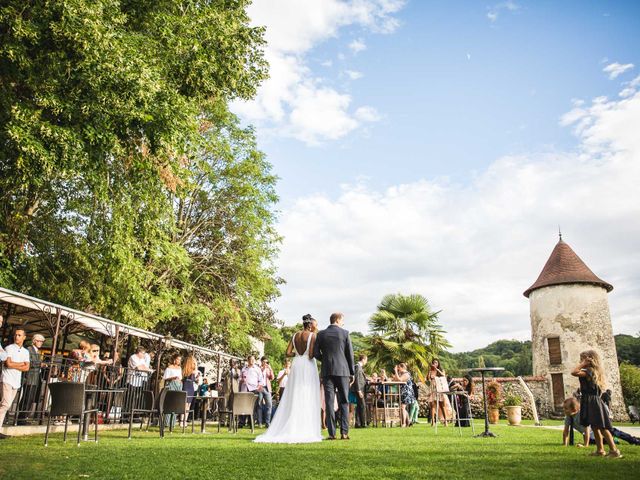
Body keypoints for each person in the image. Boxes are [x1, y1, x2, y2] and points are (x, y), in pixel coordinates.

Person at [255, 313, 322, 443]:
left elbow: (287, 352)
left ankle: (291, 424)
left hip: (297, 364)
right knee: (307, 392)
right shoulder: (312, 336)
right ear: (310, 325)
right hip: (307, 366)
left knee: (294, 393)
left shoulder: (295, 335)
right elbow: (311, 355)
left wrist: (297, 354)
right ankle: (305, 427)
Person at [571, 349, 622, 458]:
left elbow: (574, 372)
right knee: (595, 427)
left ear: (589, 360)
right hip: (589, 400)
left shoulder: (590, 371)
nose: (580, 361)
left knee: (602, 427)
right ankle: (600, 450)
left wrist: (582, 364)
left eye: (583, 359)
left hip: (593, 401)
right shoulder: (590, 371)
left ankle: (614, 450)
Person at [313, 312, 355, 441]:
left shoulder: (320, 334)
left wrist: (325, 360)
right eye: (342, 320)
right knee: (344, 401)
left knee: (329, 403)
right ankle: (344, 433)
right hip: (343, 371)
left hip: (327, 371)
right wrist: (352, 372)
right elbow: (350, 354)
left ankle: (332, 434)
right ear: (337, 320)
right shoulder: (345, 333)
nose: (343, 323)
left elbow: (315, 353)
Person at [0, 328, 30, 431]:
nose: (16, 337)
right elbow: (8, 364)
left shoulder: (26, 352)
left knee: (6, 406)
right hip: (7, 379)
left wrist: (14, 364)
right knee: (5, 404)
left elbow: (27, 367)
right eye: (15, 335)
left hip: (16, 382)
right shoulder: (9, 348)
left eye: (19, 335)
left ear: (24, 337)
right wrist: (21, 363)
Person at [18, 333, 45, 423]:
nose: (41, 343)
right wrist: (40, 364)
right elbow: (28, 363)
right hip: (29, 377)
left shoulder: (37, 351)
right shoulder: (29, 350)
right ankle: (21, 418)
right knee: (27, 398)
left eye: (42, 341)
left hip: (35, 378)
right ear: (34, 341)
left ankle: (24, 417)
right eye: (39, 341)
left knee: (31, 398)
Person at [241, 355, 264, 427]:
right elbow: (239, 378)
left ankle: (251, 423)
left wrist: (258, 387)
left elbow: (261, 380)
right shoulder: (244, 368)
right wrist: (241, 380)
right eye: (250, 360)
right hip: (245, 388)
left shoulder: (257, 369)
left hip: (254, 389)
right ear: (248, 360)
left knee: (253, 406)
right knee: (244, 405)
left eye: (253, 360)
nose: (252, 361)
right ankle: (241, 422)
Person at [427, 358, 452, 426]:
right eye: (434, 362)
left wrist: (437, 369)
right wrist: (430, 371)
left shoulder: (441, 370)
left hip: (439, 388)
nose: (435, 364)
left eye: (436, 362)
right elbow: (428, 378)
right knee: (432, 405)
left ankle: (446, 421)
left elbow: (443, 375)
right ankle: (433, 422)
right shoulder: (431, 371)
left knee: (442, 405)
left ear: (438, 364)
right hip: (432, 388)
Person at [391, 363, 415, 427]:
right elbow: (395, 380)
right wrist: (396, 374)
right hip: (402, 392)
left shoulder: (407, 374)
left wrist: (396, 371)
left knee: (402, 408)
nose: (398, 369)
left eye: (399, 368)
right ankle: (408, 422)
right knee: (402, 408)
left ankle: (403, 423)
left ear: (402, 367)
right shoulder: (401, 374)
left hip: (407, 393)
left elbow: (400, 379)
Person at [163, 353, 183, 428]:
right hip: (171, 384)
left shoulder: (179, 368)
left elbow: (180, 377)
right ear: (174, 359)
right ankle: (166, 422)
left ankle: (173, 422)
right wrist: (173, 378)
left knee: (175, 404)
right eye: (178, 359)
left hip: (178, 385)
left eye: (180, 360)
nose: (179, 361)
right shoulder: (169, 368)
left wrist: (180, 381)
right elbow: (165, 378)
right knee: (170, 403)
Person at [351, 354, 368, 428]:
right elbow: (357, 379)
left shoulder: (359, 367)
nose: (366, 362)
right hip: (359, 389)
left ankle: (358, 424)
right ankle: (363, 423)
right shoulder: (357, 367)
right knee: (362, 406)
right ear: (363, 359)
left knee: (359, 406)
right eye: (366, 360)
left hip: (361, 389)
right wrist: (358, 390)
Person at [259, 356, 274, 428]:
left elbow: (272, 378)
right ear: (261, 362)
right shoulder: (258, 368)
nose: (265, 363)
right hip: (260, 388)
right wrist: (263, 368)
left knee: (269, 405)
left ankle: (267, 422)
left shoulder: (268, 369)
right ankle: (259, 422)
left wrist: (270, 369)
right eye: (264, 362)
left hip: (267, 388)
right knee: (259, 405)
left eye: (266, 362)